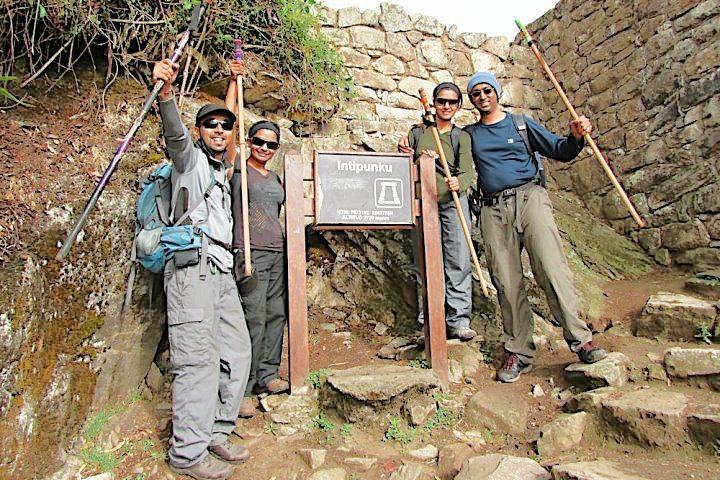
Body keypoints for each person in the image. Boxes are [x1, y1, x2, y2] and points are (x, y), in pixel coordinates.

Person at [464, 71, 607, 383]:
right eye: (476, 94)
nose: (483, 97)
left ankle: (581, 341)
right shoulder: (470, 134)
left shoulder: (521, 124)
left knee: (551, 268)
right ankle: (519, 351)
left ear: (497, 92)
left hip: (531, 199)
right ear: (472, 100)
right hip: (492, 208)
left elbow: (560, 150)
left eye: (487, 90)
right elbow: (449, 155)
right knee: (505, 279)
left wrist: (577, 135)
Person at [153, 57, 252, 480]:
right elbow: (175, 135)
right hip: (191, 270)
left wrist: (234, 83)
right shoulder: (189, 161)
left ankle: (216, 429)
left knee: (236, 352)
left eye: (225, 125)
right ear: (199, 131)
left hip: (222, 272)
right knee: (197, 360)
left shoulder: (222, 166)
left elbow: (231, 131)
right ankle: (187, 453)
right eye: (210, 124)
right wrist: (167, 96)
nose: (219, 129)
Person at [225, 60, 289, 418]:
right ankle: (245, 387)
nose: (264, 147)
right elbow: (227, 124)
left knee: (276, 313)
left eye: (271, 144)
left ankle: (268, 374)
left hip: (277, 253)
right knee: (253, 316)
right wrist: (235, 82)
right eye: (259, 141)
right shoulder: (237, 166)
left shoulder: (277, 179)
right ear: (250, 142)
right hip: (248, 251)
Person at [398, 82, 477, 341]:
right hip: (423, 203)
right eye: (441, 101)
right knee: (425, 262)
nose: (446, 106)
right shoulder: (419, 133)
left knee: (458, 260)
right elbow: (404, 166)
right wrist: (405, 153)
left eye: (452, 102)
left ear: (458, 106)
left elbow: (466, 171)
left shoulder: (460, 137)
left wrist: (459, 182)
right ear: (433, 103)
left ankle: (458, 320)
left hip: (453, 202)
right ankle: (428, 321)